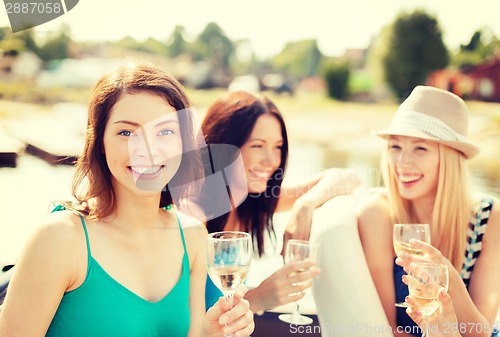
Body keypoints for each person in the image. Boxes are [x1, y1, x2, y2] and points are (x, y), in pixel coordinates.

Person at [0, 61, 254, 337]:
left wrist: (212, 332)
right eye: (127, 132)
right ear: (99, 141)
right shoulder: (59, 238)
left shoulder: (192, 236)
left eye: (165, 131)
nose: (148, 149)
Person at [197, 90, 360, 314]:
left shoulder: (253, 200)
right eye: (257, 146)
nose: (272, 160)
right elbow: (186, 323)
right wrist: (258, 298)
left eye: (278, 147)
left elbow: (347, 178)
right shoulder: (193, 216)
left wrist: (305, 206)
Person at [357, 85, 500, 337]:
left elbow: (480, 332)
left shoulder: (488, 219)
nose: (402, 163)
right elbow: (387, 330)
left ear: (449, 158)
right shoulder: (378, 214)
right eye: (395, 147)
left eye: (420, 148)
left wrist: (450, 279)